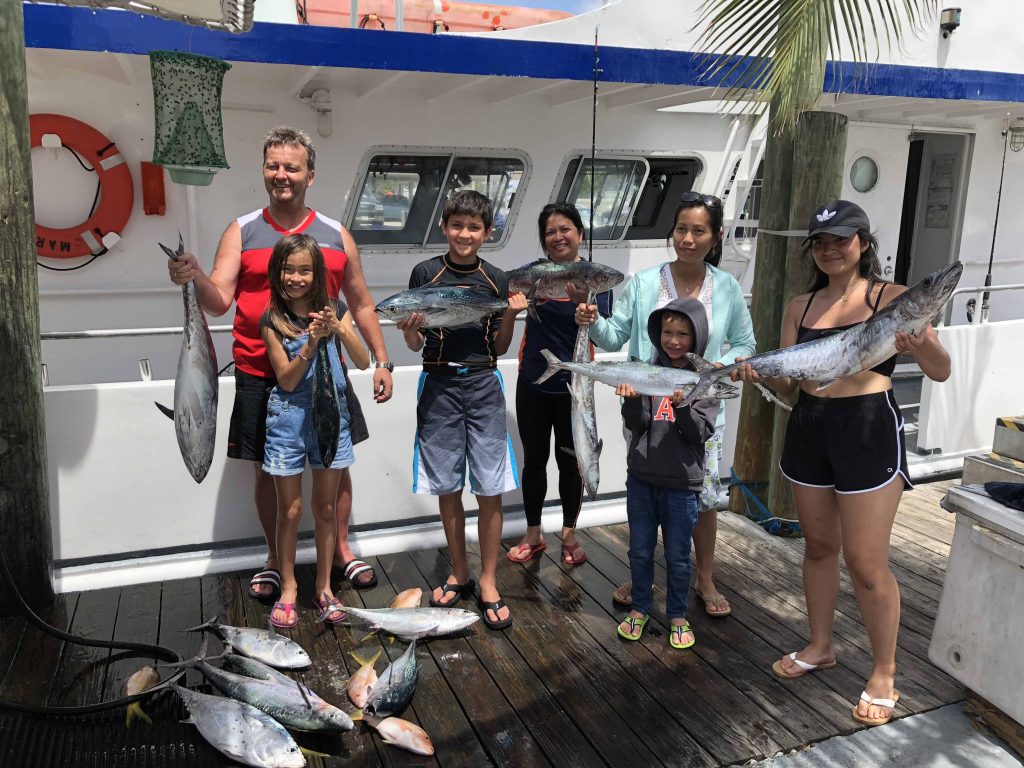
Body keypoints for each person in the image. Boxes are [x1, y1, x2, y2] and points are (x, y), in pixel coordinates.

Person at [730, 199, 951, 727]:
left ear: (864, 243)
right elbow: (789, 379)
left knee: (868, 562)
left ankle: (884, 670)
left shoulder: (894, 299)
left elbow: (940, 371)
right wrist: (755, 373)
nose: (831, 250)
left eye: (842, 239)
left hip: (869, 425)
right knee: (820, 547)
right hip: (810, 426)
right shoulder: (799, 306)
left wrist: (919, 345)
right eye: (822, 242)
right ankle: (821, 644)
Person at [167, 127, 392, 601]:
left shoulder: (335, 234)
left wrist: (382, 361)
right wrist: (192, 275)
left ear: (310, 174)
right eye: (273, 166)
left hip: (326, 371)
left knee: (337, 462)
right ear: (264, 170)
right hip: (258, 371)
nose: (281, 175)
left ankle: (343, 551)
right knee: (267, 471)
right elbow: (218, 300)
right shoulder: (242, 229)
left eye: (291, 167)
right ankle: (274, 557)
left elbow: (363, 304)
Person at [576, 191, 755, 617]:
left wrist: (715, 366)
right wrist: (591, 321)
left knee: (703, 495)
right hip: (643, 409)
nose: (688, 239)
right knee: (649, 490)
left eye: (699, 231)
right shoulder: (641, 283)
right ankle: (643, 579)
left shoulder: (727, 286)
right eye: (681, 229)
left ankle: (704, 575)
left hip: (698, 409)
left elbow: (746, 344)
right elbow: (616, 337)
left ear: (715, 236)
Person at [397, 190, 527, 631]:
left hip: (482, 384)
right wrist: (411, 330)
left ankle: (489, 580)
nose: (465, 234)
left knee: (490, 487)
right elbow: (415, 344)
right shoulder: (425, 273)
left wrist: (511, 314)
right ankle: (460, 569)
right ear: (445, 227)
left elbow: (499, 347)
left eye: (474, 227)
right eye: (457, 225)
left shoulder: (497, 280)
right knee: (447, 485)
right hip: (437, 384)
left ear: (487, 233)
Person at [260, 234, 363, 627]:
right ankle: (289, 587)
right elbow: (285, 381)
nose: (296, 277)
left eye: (305, 269)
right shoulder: (272, 319)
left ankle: (323, 588)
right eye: (289, 269)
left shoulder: (335, 308)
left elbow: (362, 358)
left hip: (331, 414)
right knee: (290, 510)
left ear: (317, 273)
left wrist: (338, 327)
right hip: (288, 416)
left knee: (324, 508)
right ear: (278, 272)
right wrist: (309, 344)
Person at [506, 203, 612, 567]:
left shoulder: (596, 279)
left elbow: (605, 332)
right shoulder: (533, 275)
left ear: (580, 233)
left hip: (575, 388)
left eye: (565, 229)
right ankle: (533, 533)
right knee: (534, 461)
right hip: (533, 380)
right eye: (550, 231)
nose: (558, 236)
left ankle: (569, 531)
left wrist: (588, 310)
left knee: (572, 463)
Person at [615, 299, 718, 648]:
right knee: (640, 550)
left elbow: (700, 434)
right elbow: (639, 425)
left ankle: (677, 614)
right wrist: (631, 400)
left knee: (677, 555)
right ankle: (640, 608)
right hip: (642, 477)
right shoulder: (645, 371)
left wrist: (684, 405)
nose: (673, 340)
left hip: (681, 484)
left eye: (683, 334)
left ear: (697, 337)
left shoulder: (703, 381)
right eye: (667, 332)